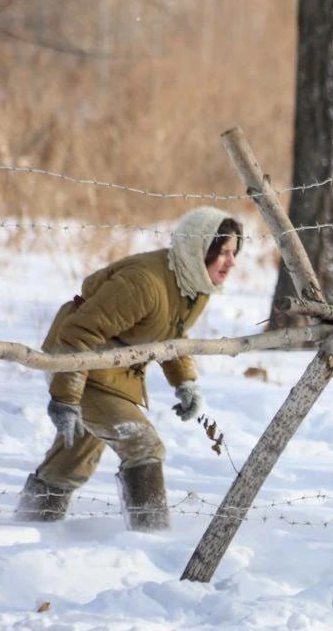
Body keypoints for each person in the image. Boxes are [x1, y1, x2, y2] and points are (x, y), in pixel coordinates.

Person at [16, 207, 243, 531]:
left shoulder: (193, 283)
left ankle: (28, 526)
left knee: (73, 457)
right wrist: (65, 398)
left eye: (234, 253)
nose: (231, 262)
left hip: (111, 369)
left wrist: (185, 381)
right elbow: (79, 333)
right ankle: (150, 539)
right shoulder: (144, 284)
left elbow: (171, 332)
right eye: (223, 253)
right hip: (76, 361)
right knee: (142, 444)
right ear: (199, 249)